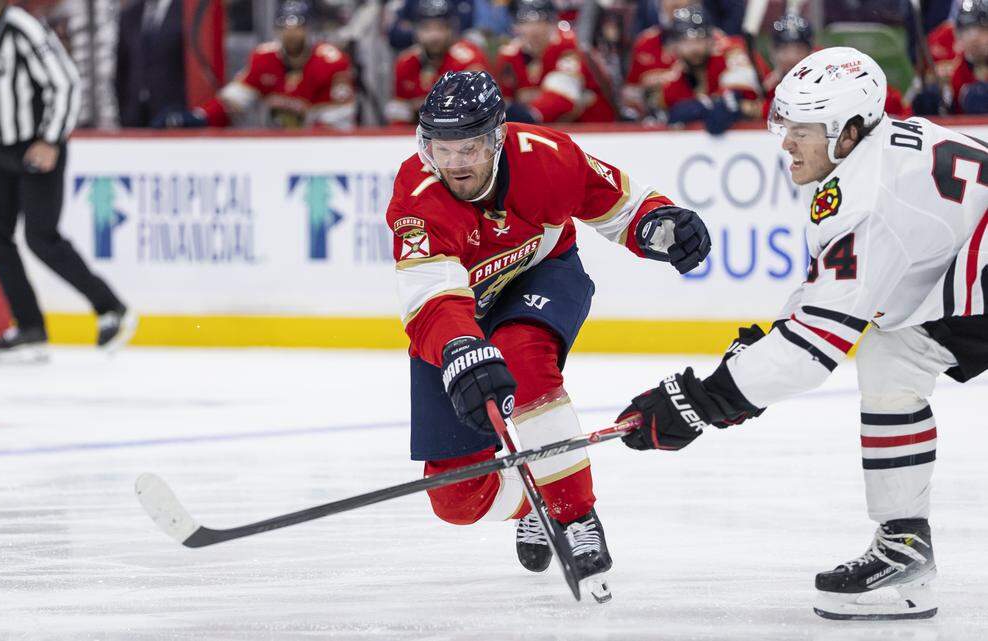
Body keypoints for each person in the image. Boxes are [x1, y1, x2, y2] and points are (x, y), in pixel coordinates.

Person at [617, 47, 988, 620]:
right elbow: (821, 306)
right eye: (784, 125)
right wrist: (759, 355)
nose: (786, 143)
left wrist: (700, 402)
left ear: (850, 131)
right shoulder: (870, 159)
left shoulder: (869, 199)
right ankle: (904, 546)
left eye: (803, 130)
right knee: (892, 357)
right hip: (974, 283)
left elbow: (811, 352)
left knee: (891, 355)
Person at [385, 70, 710, 601]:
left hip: (541, 277)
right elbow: (430, 297)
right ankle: (535, 495)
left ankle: (573, 513)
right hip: (457, 319)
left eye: (469, 148)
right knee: (455, 498)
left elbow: (622, 204)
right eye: (442, 150)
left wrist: (659, 224)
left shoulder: (546, 155)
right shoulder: (416, 193)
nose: (456, 164)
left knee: (523, 357)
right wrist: (459, 347)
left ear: (497, 138)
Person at [0, 0, 135, 363]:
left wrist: (51, 139)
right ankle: (30, 327)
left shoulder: (23, 28)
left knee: (41, 238)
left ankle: (110, 307)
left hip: (36, 146)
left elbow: (65, 81)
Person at [155, 0, 355, 130]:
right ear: (276, 30)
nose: (291, 34)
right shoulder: (265, 58)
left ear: (308, 30)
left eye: (298, 28)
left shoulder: (331, 62)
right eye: (285, 28)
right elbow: (233, 102)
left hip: (317, 149)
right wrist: (199, 117)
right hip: (275, 146)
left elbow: (340, 121)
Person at [763, 13, 908, 119]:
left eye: (798, 49)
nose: (791, 57)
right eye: (784, 50)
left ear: (811, 51)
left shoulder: (831, 70)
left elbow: (893, 102)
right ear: (772, 52)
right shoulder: (770, 82)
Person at [495, 0, 616, 123]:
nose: (534, 29)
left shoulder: (568, 44)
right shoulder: (509, 55)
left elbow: (564, 96)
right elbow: (505, 100)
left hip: (591, 125)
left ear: (552, 24)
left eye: (541, 22)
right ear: (516, 26)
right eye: (525, 22)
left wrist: (529, 114)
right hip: (542, 126)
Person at [658, 6, 761, 134]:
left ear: (711, 40)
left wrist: (703, 106)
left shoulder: (732, 53)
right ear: (675, 46)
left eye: (699, 40)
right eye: (686, 42)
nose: (694, 48)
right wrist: (705, 106)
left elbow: (731, 104)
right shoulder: (676, 76)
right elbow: (672, 113)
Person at [386, 0, 489, 125]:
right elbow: (398, 116)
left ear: (451, 29)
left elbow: (476, 111)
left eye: (440, 28)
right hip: (417, 133)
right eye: (426, 28)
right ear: (416, 30)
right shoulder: (405, 62)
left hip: (460, 132)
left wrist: (422, 106)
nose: (434, 36)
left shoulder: (469, 59)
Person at [115, 0, 186, 127]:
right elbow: (122, 69)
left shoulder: (185, 10)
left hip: (173, 116)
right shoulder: (130, 14)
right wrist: (124, 111)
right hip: (133, 117)